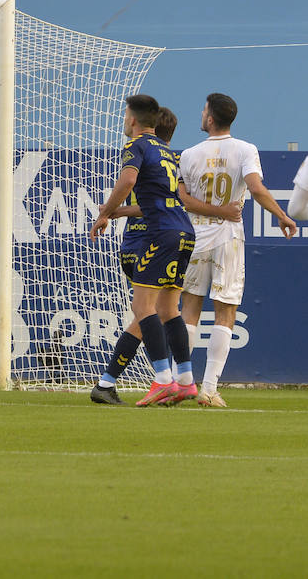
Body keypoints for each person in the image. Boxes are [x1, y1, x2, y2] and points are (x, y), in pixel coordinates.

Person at [177, 93, 296, 408]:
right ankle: (209, 389)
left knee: (189, 308)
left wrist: (210, 211)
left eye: (204, 110)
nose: (201, 115)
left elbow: (184, 199)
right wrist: (282, 216)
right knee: (225, 311)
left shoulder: (189, 154)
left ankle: (180, 383)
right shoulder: (246, 149)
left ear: (211, 118)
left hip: (196, 235)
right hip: (228, 237)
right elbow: (256, 188)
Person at [89, 95, 196, 407]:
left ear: (133, 120)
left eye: (125, 115)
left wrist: (106, 212)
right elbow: (167, 197)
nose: (125, 120)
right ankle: (186, 381)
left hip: (158, 235)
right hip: (184, 232)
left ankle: (163, 380)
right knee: (168, 309)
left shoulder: (135, 146)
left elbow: (128, 179)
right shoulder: (167, 151)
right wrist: (120, 212)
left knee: (142, 307)